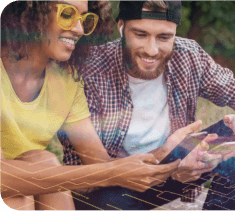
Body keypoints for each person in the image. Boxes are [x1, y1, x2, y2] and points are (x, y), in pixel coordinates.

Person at [57, 1, 235, 210]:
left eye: (164, 37)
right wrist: (173, 163)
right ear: (121, 27)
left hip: (169, 170)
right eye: (140, 35)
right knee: (110, 201)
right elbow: (98, 170)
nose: (152, 50)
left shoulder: (188, 55)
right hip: (108, 186)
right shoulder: (90, 69)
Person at [0, 0, 199, 209]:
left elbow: (100, 166)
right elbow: (4, 179)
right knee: (20, 191)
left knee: (42, 161)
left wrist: (163, 154)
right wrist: (109, 173)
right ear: (28, 11)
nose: (78, 29)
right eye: (66, 14)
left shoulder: (67, 81)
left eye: (84, 19)